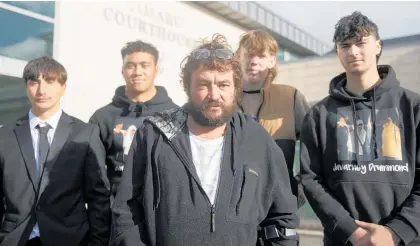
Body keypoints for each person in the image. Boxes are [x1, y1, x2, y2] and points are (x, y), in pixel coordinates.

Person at [110, 34, 299, 246]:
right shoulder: (154, 135)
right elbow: (126, 210)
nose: (214, 94)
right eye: (203, 85)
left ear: (236, 88)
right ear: (188, 88)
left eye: (223, 85)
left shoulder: (257, 139)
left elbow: (283, 220)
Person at [300, 11, 420, 246]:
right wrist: (351, 232)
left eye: (360, 43)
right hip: (344, 240)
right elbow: (311, 179)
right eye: (345, 45)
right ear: (338, 52)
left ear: (377, 46)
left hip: (406, 240)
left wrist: (396, 232)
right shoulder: (319, 115)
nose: (353, 52)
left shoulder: (413, 107)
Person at [0, 56, 110, 246]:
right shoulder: (5, 135)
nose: (42, 90)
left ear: (63, 87)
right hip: (15, 239)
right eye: (34, 82)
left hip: (70, 239)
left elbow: (98, 197)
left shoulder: (85, 133)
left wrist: (97, 242)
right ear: (26, 86)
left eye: (50, 81)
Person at [89, 40, 178, 197]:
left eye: (145, 65)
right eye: (131, 66)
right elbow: (93, 175)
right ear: (122, 70)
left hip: (161, 213)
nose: (137, 72)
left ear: (156, 70)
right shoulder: (102, 117)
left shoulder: (175, 115)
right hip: (114, 214)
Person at [236, 30, 309, 207]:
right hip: (231, 208)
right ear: (238, 57)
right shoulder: (223, 99)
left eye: (261, 56)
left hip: (278, 211)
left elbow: (315, 151)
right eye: (249, 55)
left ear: (272, 61)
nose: (254, 61)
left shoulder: (290, 97)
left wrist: (297, 191)